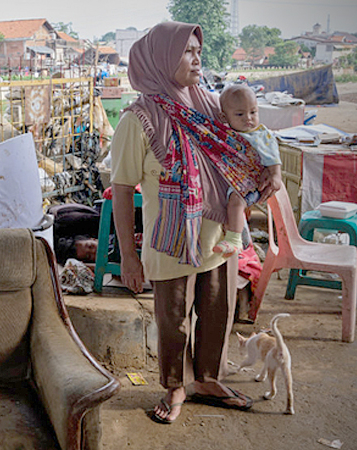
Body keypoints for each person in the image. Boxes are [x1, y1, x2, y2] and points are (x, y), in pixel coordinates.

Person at [110, 22, 275, 425]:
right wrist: (129, 259)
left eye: (198, 49)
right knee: (174, 320)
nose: (197, 58)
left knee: (219, 312)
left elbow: (245, 150)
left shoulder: (210, 106)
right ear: (162, 58)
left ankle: (207, 379)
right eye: (186, 51)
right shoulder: (139, 120)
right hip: (172, 242)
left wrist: (264, 176)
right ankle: (176, 386)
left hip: (219, 239)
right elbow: (121, 189)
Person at [212, 84, 283, 258]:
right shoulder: (227, 134)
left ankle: (234, 240)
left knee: (236, 202)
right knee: (230, 204)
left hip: (253, 184)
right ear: (224, 116)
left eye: (253, 112)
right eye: (240, 114)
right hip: (234, 183)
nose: (248, 119)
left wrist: (275, 175)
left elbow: (272, 156)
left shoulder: (259, 135)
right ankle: (241, 240)